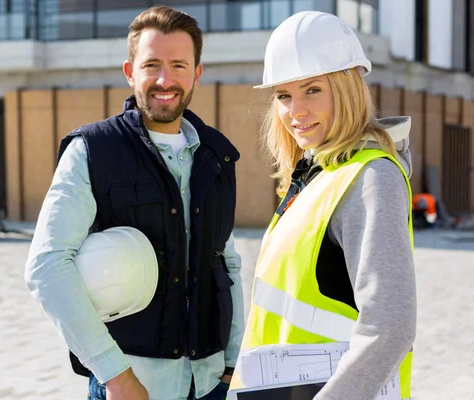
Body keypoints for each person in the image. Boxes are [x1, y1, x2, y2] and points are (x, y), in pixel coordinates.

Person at [25, 6, 244, 400]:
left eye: (179, 65)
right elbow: (47, 265)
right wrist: (116, 375)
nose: (165, 79)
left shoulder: (218, 155)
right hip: (133, 386)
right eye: (151, 65)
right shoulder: (93, 150)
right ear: (130, 72)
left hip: (212, 383)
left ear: (197, 73)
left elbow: (226, 261)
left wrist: (232, 365)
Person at [229, 11, 417, 400]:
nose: (295, 111)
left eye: (312, 89)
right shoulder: (318, 175)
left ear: (347, 87)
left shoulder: (370, 179)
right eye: (283, 95)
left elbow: (390, 326)